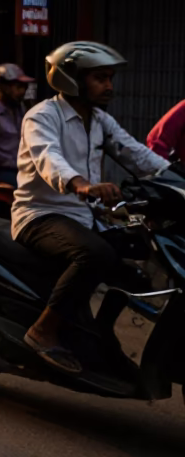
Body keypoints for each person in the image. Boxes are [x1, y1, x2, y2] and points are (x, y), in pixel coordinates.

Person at [12, 42, 167, 375]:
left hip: (85, 217)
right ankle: (43, 330)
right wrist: (80, 183)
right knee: (95, 255)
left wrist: (175, 180)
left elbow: (138, 156)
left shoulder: (100, 120)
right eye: (100, 78)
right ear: (71, 78)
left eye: (110, 78)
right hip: (39, 215)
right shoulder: (42, 116)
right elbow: (47, 158)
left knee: (135, 257)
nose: (109, 86)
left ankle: (97, 334)